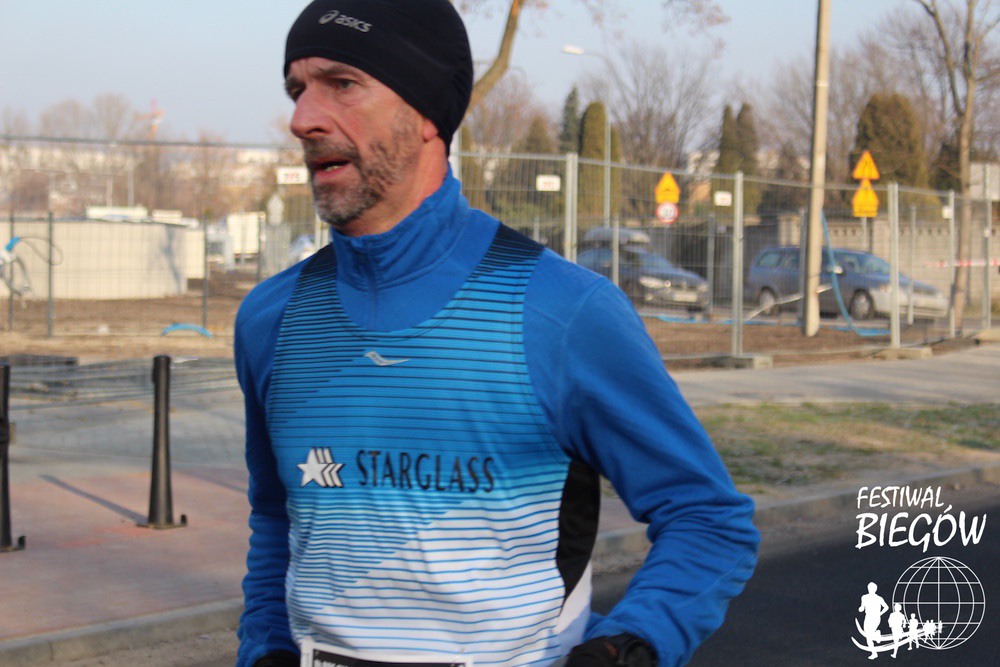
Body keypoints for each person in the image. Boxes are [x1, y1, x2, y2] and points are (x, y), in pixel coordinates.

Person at [234, 1, 758, 666]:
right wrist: (264, 648)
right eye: (297, 89)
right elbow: (275, 519)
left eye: (342, 84)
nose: (303, 118)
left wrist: (630, 645)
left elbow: (707, 518)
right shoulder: (271, 317)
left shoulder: (559, 311)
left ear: (427, 113)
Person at [858, 582, 889, 660]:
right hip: (868, 617)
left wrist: (880, 613)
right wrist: (861, 609)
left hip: (875, 617)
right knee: (867, 636)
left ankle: (876, 634)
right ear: (868, 588)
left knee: (868, 634)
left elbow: (886, 607)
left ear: (875, 589)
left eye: (872, 588)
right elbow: (862, 607)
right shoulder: (864, 597)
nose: (871, 589)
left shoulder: (879, 598)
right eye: (870, 588)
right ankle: (874, 652)